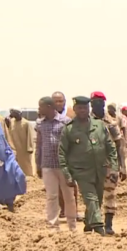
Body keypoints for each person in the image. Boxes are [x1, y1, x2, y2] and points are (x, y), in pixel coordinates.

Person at [59, 96, 119, 235]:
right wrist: (67, 175)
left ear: (88, 109)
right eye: (79, 108)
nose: (82, 111)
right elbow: (62, 154)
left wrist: (114, 168)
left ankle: (88, 221)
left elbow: (111, 148)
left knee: (97, 199)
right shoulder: (69, 130)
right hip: (81, 172)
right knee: (90, 197)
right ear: (74, 109)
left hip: (100, 169)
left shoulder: (99, 126)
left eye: (85, 108)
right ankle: (98, 226)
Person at [36, 96, 77, 231]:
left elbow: (73, 144)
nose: (38, 109)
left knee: (68, 196)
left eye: (40, 106)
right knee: (51, 196)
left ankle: (72, 225)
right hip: (47, 165)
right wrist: (38, 164)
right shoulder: (40, 124)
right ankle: (53, 225)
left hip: (64, 166)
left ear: (48, 107)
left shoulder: (66, 122)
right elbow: (39, 145)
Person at [91, 92, 127, 235]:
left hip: (109, 166)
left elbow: (119, 145)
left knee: (110, 195)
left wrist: (122, 166)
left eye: (99, 102)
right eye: (94, 102)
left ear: (104, 104)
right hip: (91, 166)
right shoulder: (84, 122)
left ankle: (108, 225)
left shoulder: (111, 123)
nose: (96, 105)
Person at [53, 91, 80, 220]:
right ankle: (63, 210)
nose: (58, 103)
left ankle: (75, 211)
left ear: (64, 101)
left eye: (60, 101)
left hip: (70, 154)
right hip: (54, 156)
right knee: (58, 186)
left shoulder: (71, 114)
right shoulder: (47, 115)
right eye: (55, 101)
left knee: (72, 184)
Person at [7, 108, 35, 177]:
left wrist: (30, 147)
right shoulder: (12, 122)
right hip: (14, 146)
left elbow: (30, 135)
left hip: (24, 147)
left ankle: (29, 176)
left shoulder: (26, 123)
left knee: (25, 163)